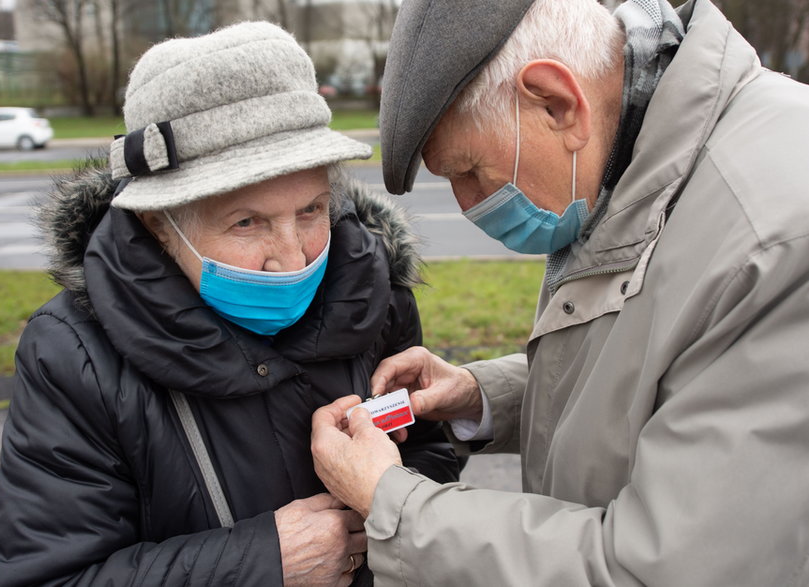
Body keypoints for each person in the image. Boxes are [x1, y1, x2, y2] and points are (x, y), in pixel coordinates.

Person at [311, 0, 809, 584]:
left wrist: (391, 502)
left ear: (556, 102)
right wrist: (481, 395)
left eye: (469, 171)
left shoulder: (771, 237)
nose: (468, 207)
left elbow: (663, 569)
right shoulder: (637, 171)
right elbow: (666, 375)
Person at [0, 22, 460, 586]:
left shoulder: (369, 289)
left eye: (310, 210)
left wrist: (387, 505)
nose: (291, 257)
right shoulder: (74, 354)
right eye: (246, 221)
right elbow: (43, 577)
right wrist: (262, 564)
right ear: (160, 224)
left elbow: (429, 448)